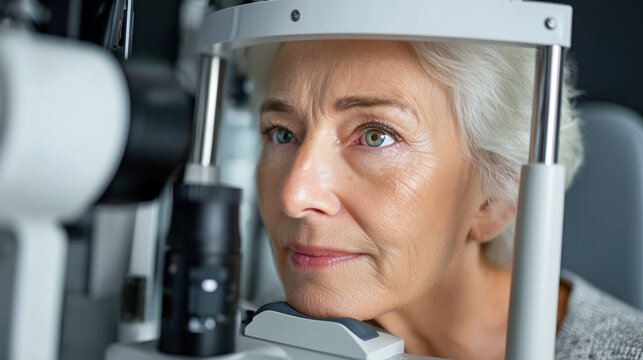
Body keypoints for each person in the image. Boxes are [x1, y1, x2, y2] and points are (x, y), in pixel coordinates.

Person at [252, 40, 643, 360]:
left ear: (495, 198)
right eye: (282, 133)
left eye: (376, 136)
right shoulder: (257, 340)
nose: (295, 195)